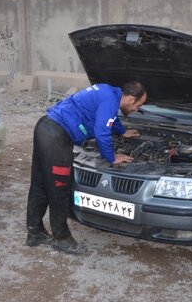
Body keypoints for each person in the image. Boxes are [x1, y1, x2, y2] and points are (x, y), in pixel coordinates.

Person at [25, 81, 147, 255]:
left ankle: (34, 233)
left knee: (40, 183)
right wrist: (112, 157)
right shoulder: (110, 101)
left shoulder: (109, 92)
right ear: (129, 99)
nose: (137, 109)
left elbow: (109, 119)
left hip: (45, 127)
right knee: (59, 189)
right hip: (56, 137)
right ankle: (62, 238)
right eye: (138, 105)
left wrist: (121, 132)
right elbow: (101, 132)